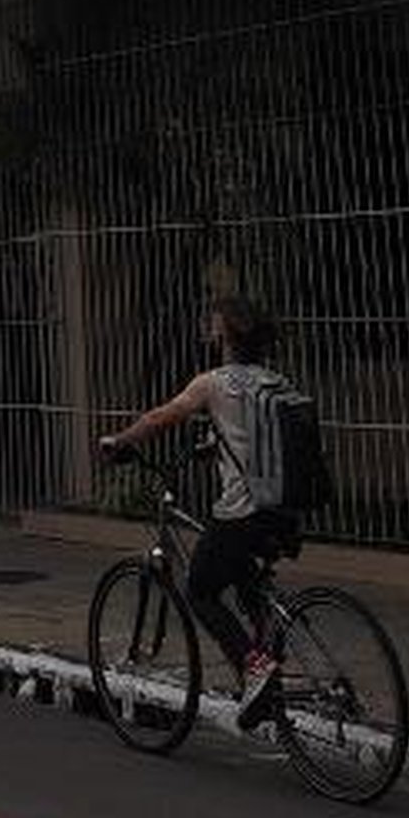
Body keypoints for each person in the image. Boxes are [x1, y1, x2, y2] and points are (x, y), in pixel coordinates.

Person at [97, 296, 299, 730]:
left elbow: (160, 417)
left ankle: (257, 667)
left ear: (224, 333)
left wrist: (121, 441)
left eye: (213, 321)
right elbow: (257, 438)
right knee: (245, 582)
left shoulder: (213, 383)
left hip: (243, 512)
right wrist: (215, 448)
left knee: (200, 591)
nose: (208, 326)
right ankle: (265, 678)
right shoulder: (274, 381)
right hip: (284, 510)